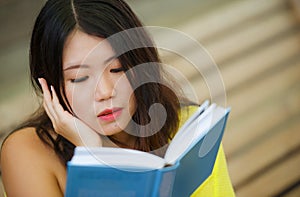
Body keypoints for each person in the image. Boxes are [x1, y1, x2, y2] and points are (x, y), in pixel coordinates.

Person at [0, 0, 235, 196]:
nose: (105, 93)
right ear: (48, 85)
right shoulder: (28, 152)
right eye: (80, 78)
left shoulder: (189, 131)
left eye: (118, 69)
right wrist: (92, 154)